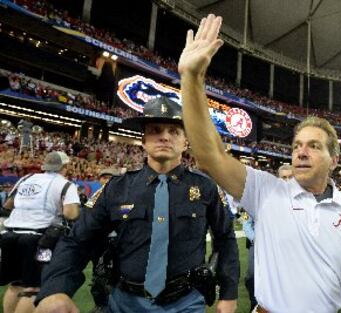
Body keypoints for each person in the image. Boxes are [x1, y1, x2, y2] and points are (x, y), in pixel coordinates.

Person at [179, 14, 341, 313]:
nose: (301, 152)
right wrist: (192, 78)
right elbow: (208, 155)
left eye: (314, 146)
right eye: (296, 146)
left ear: (334, 159)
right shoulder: (266, 191)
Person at [34, 97, 240, 313]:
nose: (164, 137)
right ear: (143, 140)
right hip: (124, 303)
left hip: (186, 303)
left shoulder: (206, 187)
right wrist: (54, 289)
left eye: (174, 131)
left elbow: (225, 239)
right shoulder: (116, 188)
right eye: (155, 130)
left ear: (185, 142)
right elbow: (77, 240)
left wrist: (228, 293)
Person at [1, 151, 80, 313]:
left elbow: (8, 205)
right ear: (64, 166)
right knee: (33, 288)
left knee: (15, 284)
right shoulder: (65, 184)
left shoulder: (26, 178)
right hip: (38, 239)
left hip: (10, 236)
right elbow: (70, 214)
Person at [86, 167, 120, 313]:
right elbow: (87, 215)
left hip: (117, 240)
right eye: (104, 177)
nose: (106, 180)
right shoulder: (95, 196)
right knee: (98, 274)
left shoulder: (124, 194)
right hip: (100, 240)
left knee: (119, 274)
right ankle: (101, 304)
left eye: (110, 177)